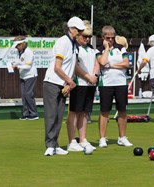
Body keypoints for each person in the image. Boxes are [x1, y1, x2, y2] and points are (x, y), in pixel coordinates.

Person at [43, 16, 85, 156]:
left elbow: (70, 67)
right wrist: (70, 81)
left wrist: (68, 82)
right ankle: (49, 145)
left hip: (63, 84)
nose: (80, 33)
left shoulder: (73, 44)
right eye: (78, 30)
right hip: (52, 82)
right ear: (71, 29)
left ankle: (55, 144)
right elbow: (57, 67)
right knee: (51, 115)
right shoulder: (63, 42)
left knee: (59, 116)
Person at [96, 25, 133, 148]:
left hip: (121, 83)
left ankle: (122, 137)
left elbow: (126, 64)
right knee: (104, 111)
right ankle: (102, 138)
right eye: (108, 38)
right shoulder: (99, 50)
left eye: (112, 37)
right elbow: (101, 62)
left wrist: (111, 65)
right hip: (106, 84)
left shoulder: (121, 48)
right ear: (103, 37)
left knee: (122, 111)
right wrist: (106, 49)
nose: (110, 40)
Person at [66, 20, 99, 151]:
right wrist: (87, 76)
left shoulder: (91, 48)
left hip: (90, 85)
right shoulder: (75, 48)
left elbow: (97, 63)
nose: (87, 39)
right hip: (78, 84)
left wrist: (95, 76)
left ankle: (83, 139)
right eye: (84, 36)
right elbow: (74, 66)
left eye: (89, 37)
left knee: (85, 113)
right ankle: (71, 141)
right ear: (78, 35)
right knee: (74, 112)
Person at [12, 36, 39, 120]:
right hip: (23, 76)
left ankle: (34, 114)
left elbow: (28, 65)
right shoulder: (18, 52)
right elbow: (17, 61)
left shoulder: (29, 52)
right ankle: (26, 114)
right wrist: (13, 64)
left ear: (23, 44)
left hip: (30, 75)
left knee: (28, 94)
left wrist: (18, 67)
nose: (16, 47)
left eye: (18, 45)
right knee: (24, 95)